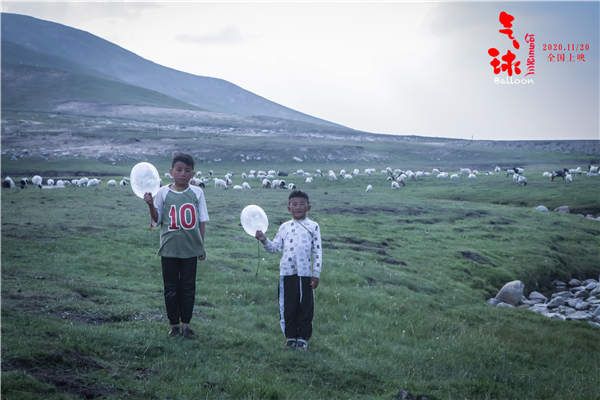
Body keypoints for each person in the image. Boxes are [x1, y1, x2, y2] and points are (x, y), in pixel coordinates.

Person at [144, 153, 208, 338]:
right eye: (179, 170)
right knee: (170, 288)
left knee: (188, 288)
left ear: (192, 174)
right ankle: (174, 325)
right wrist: (150, 205)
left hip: (190, 249)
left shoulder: (198, 192)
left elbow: (202, 220)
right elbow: (156, 221)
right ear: (171, 172)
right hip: (169, 249)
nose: (182, 174)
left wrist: (201, 246)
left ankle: (186, 324)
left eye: (187, 171)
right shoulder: (163, 192)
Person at [255, 190, 323, 351]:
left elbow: (318, 251)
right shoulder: (284, 227)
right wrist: (264, 239)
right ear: (288, 208)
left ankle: (303, 338)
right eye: (294, 204)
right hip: (286, 273)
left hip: (305, 274)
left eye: (301, 204)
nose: (298, 207)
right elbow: (274, 248)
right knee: (288, 306)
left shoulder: (313, 226)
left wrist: (316, 274)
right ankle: (290, 337)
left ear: (308, 207)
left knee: (305, 306)